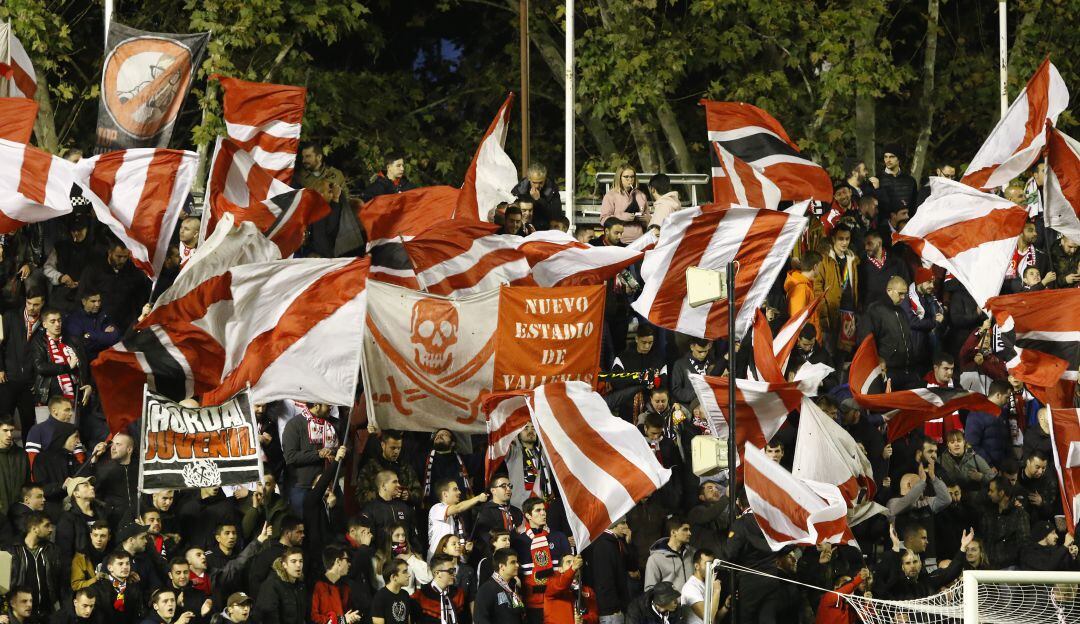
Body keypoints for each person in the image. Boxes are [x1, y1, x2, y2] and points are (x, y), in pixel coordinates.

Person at [511, 497, 570, 624]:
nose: (543, 513)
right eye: (538, 510)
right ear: (528, 515)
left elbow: (568, 568)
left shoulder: (559, 537)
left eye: (544, 510)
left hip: (557, 601)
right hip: (532, 604)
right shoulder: (518, 542)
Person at [856, 276, 917, 389]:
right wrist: (878, 360)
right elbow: (866, 340)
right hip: (888, 371)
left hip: (907, 371)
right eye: (900, 293)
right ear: (889, 291)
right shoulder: (875, 310)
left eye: (905, 294)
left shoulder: (901, 312)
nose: (903, 297)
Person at [78, 241, 150, 333]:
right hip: (99, 325)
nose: (122, 260)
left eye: (126, 257)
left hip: (126, 327)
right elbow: (82, 297)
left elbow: (141, 298)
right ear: (110, 252)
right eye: (119, 256)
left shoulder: (135, 272)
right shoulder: (93, 271)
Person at [0, 291, 45, 433]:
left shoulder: (45, 323)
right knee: (3, 420)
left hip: (29, 384)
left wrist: (37, 380)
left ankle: (27, 454)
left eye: (36, 304)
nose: (31, 307)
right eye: (29, 303)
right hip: (7, 379)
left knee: (29, 423)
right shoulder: (10, 316)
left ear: (42, 303)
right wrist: (0, 368)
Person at [281, 401, 337, 514]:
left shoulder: (333, 424)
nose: (330, 407)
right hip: (303, 487)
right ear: (317, 405)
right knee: (303, 527)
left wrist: (332, 452)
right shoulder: (295, 425)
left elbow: (343, 448)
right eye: (327, 405)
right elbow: (291, 457)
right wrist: (318, 454)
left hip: (330, 485)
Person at [32, 309, 91, 410]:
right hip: (47, 397)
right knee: (47, 426)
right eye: (53, 321)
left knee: (71, 425)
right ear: (44, 324)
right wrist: (67, 367)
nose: (57, 324)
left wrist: (89, 385)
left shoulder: (73, 340)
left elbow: (84, 365)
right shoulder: (39, 341)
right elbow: (41, 367)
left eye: (59, 320)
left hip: (74, 397)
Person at [7, 511, 61, 616]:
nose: (51, 529)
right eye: (46, 526)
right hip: (21, 614)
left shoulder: (53, 550)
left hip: (47, 612)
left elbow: (59, 580)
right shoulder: (12, 551)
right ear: (34, 529)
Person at [427, 479, 487, 558]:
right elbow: (459, 507)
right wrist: (478, 498)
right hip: (438, 562)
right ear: (445, 494)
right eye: (455, 489)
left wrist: (465, 550)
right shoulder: (437, 508)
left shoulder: (457, 517)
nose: (459, 492)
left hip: (453, 563)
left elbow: (459, 551)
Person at [63, 289, 121, 367]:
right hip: (86, 364)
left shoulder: (104, 315)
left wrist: (90, 335)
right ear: (84, 302)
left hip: (106, 360)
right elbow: (81, 345)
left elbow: (114, 337)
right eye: (93, 301)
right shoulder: (74, 320)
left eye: (99, 301)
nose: (97, 304)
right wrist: (103, 335)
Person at [964, 381, 1012, 468]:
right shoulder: (976, 414)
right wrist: (988, 465)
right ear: (998, 395)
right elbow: (972, 444)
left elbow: (1006, 440)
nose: (1008, 401)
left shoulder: (1003, 412)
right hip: (985, 469)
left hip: (1002, 467)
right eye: (1007, 397)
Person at [255, 548, 308, 624]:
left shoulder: (300, 586)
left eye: (301, 561)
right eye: (293, 561)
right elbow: (269, 617)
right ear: (284, 565)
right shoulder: (272, 585)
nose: (298, 565)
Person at [600, 165, 649, 244]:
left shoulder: (641, 196)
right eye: (626, 177)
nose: (630, 179)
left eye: (632, 177)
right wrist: (621, 217)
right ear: (619, 178)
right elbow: (603, 219)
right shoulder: (611, 195)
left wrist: (645, 219)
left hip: (639, 241)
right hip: (619, 241)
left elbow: (649, 220)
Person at [311, 546, 362, 624]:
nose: (349, 564)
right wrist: (341, 620)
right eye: (347, 560)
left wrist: (353, 617)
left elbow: (348, 615)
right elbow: (313, 617)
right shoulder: (317, 586)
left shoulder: (346, 588)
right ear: (338, 561)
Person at [92, 551, 144, 624]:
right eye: (120, 564)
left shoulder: (134, 588)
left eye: (127, 563)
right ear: (110, 568)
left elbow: (138, 616)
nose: (125, 567)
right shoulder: (98, 588)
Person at [644, 516, 694, 592]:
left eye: (689, 530)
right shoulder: (655, 559)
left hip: (694, 603)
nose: (689, 533)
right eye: (685, 530)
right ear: (673, 532)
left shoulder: (692, 553)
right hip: (670, 603)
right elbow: (650, 589)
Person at [411, 554, 466, 624]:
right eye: (451, 571)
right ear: (437, 573)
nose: (454, 574)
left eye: (454, 570)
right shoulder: (420, 596)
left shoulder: (459, 594)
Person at [474, 548, 524, 624]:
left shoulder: (513, 586)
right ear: (501, 566)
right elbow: (480, 619)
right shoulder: (486, 589)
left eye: (517, 562)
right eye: (513, 562)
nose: (517, 565)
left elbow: (518, 613)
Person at [543, 554, 597, 624]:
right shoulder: (553, 584)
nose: (573, 563)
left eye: (574, 561)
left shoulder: (588, 591)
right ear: (560, 569)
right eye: (568, 562)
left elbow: (594, 616)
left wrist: (584, 621)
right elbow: (562, 585)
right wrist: (572, 569)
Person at [679, 549, 726, 624]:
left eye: (712, 564)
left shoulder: (707, 584)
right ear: (697, 566)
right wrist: (717, 591)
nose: (711, 567)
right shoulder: (691, 587)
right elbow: (708, 618)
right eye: (707, 564)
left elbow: (713, 620)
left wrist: (725, 607)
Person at [785, 251, 822, 344]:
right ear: (815, 267)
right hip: (806, 342)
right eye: (820, 266)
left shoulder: (805, 285)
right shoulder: (801, 288)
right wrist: (805, 344)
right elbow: (797, 319)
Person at [513, 164, 563, 231]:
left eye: (540, 183)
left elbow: (556, 215)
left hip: (545, 229)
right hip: (523, 230)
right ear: (529, 179)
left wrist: (539, 200)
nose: (537, 186)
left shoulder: (552, 189)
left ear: (545, 179)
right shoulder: (520, 189)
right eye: (534, 182)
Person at [876, 146, 917, 218]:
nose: (887, 160)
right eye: (885, 157)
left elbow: (914, 205)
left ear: (899, 159)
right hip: (884, 225)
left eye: (891, 157)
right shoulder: (877, 179)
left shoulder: (910, 181)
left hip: (906, 224)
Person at [371, 559, 414, 624]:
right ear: (394, 577)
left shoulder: (405, 594)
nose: (409, 575)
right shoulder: (380, 597)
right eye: (405, 572)